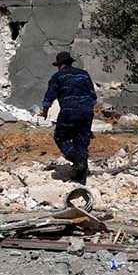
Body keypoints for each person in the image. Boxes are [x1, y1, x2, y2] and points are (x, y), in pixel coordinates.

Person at [39, 51, 97, 183]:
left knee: (61, 137)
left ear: (59, 65)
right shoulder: (84, 74)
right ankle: (80, 178)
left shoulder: (58, 77)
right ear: (70, 62)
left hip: (69, 111)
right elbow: (93, 96)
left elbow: (49, 97)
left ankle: (78, 160)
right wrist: (87, 113)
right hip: (87, 111)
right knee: (81, 141)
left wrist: (45, 112)